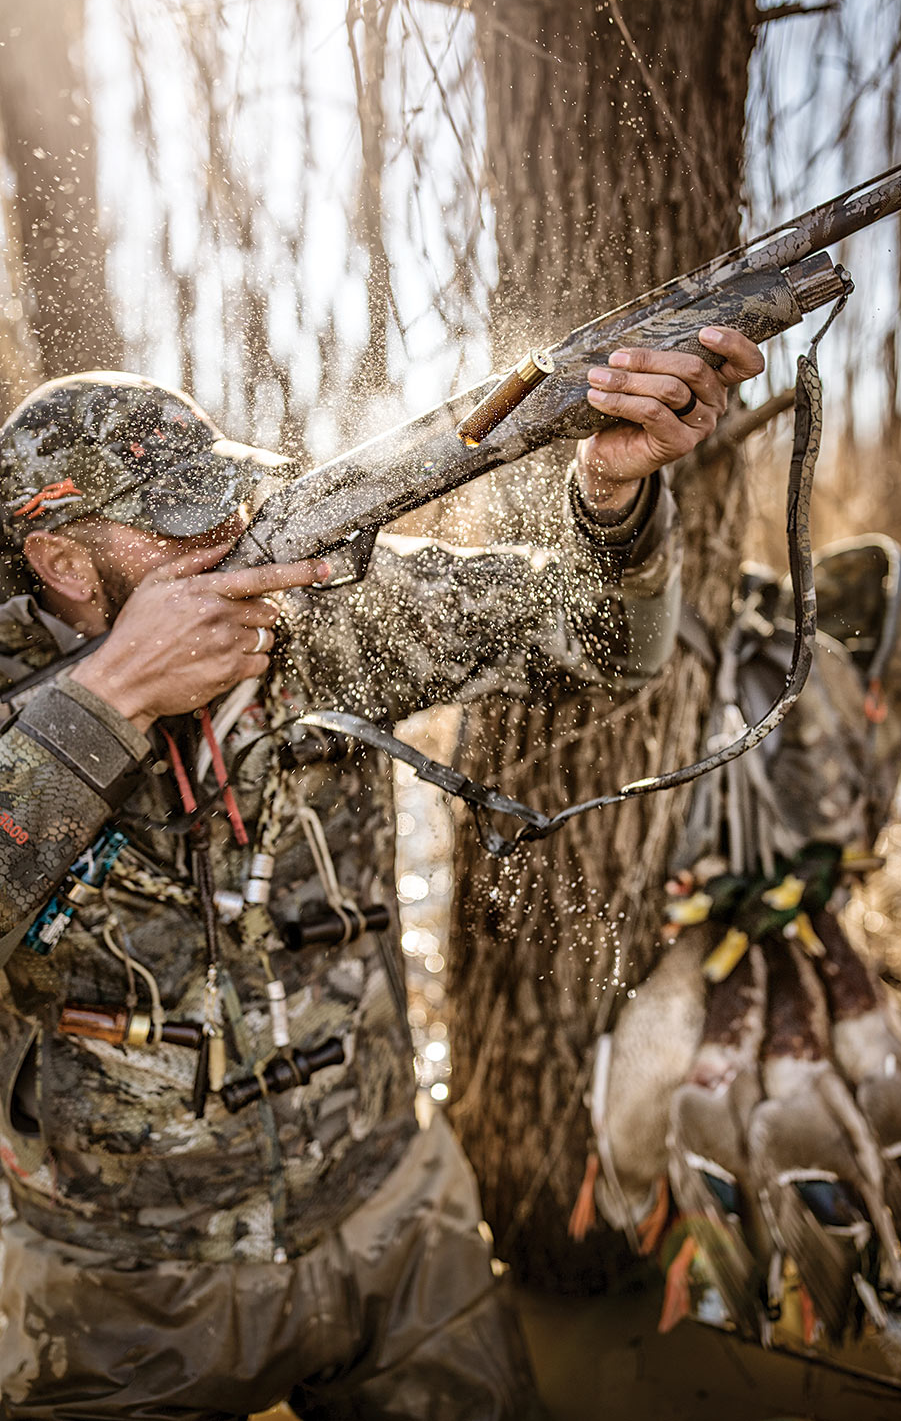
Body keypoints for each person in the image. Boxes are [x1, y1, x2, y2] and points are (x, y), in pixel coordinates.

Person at [0, 330, 763, 1419]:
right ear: (64, 562)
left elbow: (605, 645)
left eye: (221, 499)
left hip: (396, 1217)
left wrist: (608, 499)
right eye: (175, 524)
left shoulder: (321, 604)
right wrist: (109, 699)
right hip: (118, 1278)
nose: (228, 534)